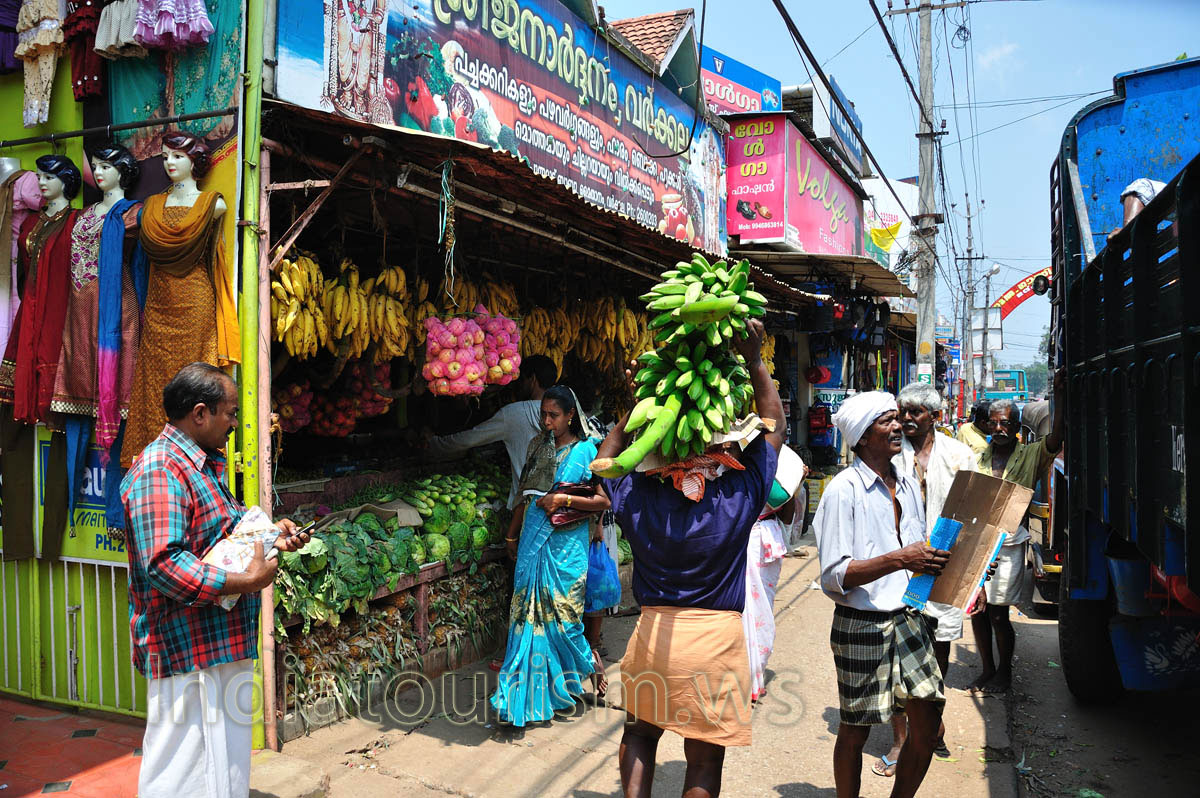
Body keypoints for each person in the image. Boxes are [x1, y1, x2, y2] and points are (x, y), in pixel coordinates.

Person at [600, 318, 785, 798]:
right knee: (703, 759)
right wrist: (755, 359)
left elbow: (608, 458)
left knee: (639, 735)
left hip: (652, 636)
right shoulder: (737, 496)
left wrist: (637, 408)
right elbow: (774, 429)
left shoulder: (638, 495)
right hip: (714, 643)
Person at [122, 363, 309, 798]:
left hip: (215, 642)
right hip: (183, 646)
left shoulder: (202, 465)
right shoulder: (161, 471)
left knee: (221, 761)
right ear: (200, 413)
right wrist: (245, 582)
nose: (234, 424)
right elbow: (165, 564)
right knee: (182, 766)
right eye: (229, 413)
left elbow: (225, 532)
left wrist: (272, 535)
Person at [813, 390, 950, 798]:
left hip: (910, 617)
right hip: (862, 623)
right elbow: (835, 575)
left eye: (897, 419)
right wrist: (901, 558)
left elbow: (917, 553)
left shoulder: (907, 483)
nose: (897, 427)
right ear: (862, 436)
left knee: (926, 723)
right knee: (855, 729)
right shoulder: (843, 489)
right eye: (886, 421)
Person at [873, 382, 978, 778]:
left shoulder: (959, 455)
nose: (906, 419)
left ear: (935, 416)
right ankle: (902, 740)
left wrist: (978, 578)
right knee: (898, 653)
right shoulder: (886, 454)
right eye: (902, 411)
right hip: (900, 567)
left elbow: (976, 516)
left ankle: (930, 727)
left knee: (940, 653)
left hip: (947, 567)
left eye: (916, 412)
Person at [490, 384, 610, 726]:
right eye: (543, 414)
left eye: (554, 415)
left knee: (564, 621)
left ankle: (589, 661)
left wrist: (563, 500)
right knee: (526, 619)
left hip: (566, 546)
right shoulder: (536, 447)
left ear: (571, 415)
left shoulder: (588, 451)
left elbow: (603, 502)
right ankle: (519, 701)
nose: (547, 421)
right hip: (532, 537)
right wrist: (511, 536)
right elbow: (524, 497)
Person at [970, 373, 1064, 694]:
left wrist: (1059, 397)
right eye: (994, 424)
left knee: (998, 613)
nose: (1000, 429)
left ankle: (1004, 673)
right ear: (987, 425)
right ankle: (987, 670)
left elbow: (1056, 438)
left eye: (1006, 424)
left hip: (1009, 543)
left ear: (1015, 427)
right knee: (978, 611)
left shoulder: (1030, 454)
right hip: (978, 541)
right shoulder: (976, 457)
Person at [425, 354, 557, 509]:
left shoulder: (515, 413)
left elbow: (469, 439)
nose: (518, 386)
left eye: (522, 380)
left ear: (532, 379)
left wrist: (434, 443)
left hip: (527, 508)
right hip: (557, 501)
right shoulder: (566, 412)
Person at [743, 474, 803, 704]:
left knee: (758, 612)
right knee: (752, 611)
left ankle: (752, 677)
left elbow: (786, 516)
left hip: (761, 543)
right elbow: (787, 516)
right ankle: (748, 678)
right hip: (752, 542)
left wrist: (794, 481)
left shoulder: (770, 468)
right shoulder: (756, 467)